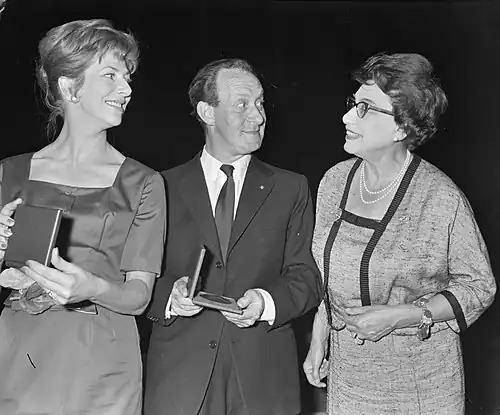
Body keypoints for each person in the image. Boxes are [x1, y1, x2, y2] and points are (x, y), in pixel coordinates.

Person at [303, 52, 496, 414]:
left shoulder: (440, 198)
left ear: (401, 128)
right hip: (350, 376)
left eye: (364, 108)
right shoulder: (334, 182)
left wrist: (402, 315)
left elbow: (479, 286)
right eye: (353, 104)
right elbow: (331, 277)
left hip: (420, 381)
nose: (347, 117)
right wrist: (320, 336)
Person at [0, 19, 166, 414]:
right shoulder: (9, 173)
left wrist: (91, 287)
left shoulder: (143, 182)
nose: (126, 89)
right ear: (69, 86)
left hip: (103, 364)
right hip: (21, 357)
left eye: (127, 77)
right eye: (110, 75)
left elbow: (139, 295)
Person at [144, 58, 322, 415]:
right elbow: (135, 277)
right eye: (242, 104)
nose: (258, 116)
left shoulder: (291, 188)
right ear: (207, 112)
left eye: (260, 104)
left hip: (264, 383)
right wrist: (170, 298)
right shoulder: (159, 186)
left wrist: (266, 302)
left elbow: (308, 277)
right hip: (180, 382)